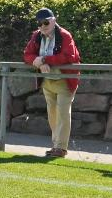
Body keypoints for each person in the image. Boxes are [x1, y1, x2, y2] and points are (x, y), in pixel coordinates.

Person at [24, 8, 81, 158]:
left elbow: (69, 57)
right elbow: (27, 54)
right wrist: (38, 63)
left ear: (53, 20)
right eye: (40, 23)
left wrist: (44, 59)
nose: (43, 26)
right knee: (52, 114)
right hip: (47, 81)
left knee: (63, 112)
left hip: (64, 81)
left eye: (46, 22)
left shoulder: (64, 35)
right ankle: (56, 145)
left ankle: (61, 148)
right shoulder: (36, 36)